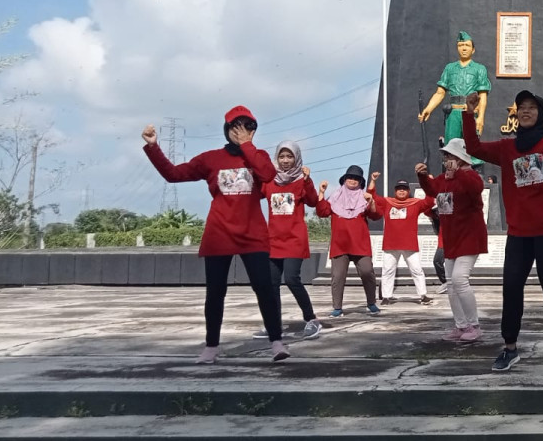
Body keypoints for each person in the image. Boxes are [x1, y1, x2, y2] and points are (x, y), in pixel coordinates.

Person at [141, 106, 288, 363]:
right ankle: (211, 346)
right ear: (226, 130)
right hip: (219, 232)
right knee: (216, 291)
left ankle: (276, 341)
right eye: (235, 128)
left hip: (252, 234)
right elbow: (174, 175)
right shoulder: (210, 159)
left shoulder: (258, 156)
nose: (241, 132)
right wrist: (153, 147)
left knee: (264, 287)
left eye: (247, 128)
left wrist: (247, 147)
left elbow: (268, 175)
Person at [462, 90, 543, 373]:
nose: (526, 111)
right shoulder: (506, 148)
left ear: (540, 113)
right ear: (516, 114)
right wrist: (468, 112)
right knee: (511, 290)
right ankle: (509, 348)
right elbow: (473, 148)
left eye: (532, 107)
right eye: (521, 107)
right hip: (519, 235)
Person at [417, 139, 488, 343]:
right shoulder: (444, 179)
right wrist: (422, 176)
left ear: (460, 158)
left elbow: (474, 190)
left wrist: (459, 172)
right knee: (450, 284)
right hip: (451, 238)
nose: (446, 159)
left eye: (450, 156)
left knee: (459, 279)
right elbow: (431, 189)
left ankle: (474, 325)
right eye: (445, 156)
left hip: (470, 237)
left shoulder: (471, 176)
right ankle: (461, 325)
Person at [256, 140, 322, 341]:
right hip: (273, 240)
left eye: (289, 156)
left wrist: (309, 181)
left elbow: (312, 201)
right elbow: (253, 195)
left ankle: (311, 320)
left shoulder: (301, 181)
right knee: (271, 284)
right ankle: (273, 324)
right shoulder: (269, 182)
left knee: (292, 279)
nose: (285, 160)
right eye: (282, 157)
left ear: (296, 158)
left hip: (294, 239)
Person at [316, 165, 381, 318]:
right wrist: (321, 192)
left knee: (367, 272)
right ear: (344, 179)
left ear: (360, 182)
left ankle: (371, 303)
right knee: (337, 276)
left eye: (356, 178)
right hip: (340, 244)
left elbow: (376, 215)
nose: (353, 180)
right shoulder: (334, 196)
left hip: (360, 244)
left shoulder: (364, 197)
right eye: (350, 177)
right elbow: (322, 212)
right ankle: (337, 308)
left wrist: (371, 201)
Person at [419, 31, 490, 166]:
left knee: (472, 145)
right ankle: (452, 173)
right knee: (451, 147)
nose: (464, 48)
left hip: (470, 112)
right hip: (453, 113)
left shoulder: (479, 69)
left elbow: (483, 95)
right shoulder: (450, 68)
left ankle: (473, 174)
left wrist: (481, 117)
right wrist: (428, 108)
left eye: (467, 45)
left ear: (473, 49)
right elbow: (440, 93)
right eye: (461, 45)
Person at [368, 174, 435, 306]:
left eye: (404, 188)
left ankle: (423, 295)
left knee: (416, 270)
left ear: (408, 191)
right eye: (399, 188)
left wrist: (430, 183)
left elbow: (429, 201)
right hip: (390, 244)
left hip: (410, 244)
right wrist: (373, 180)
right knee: (387, 270)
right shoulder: (387, 202)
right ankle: (386, 296)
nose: (402, 190)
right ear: (395, 191)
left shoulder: (415, 203)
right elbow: (372, 196)